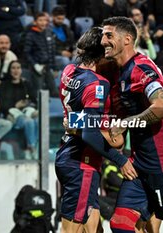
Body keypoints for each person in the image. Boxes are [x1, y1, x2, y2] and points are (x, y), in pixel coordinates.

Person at [100, 16, 163, 233]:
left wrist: (126, 123)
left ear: (127, 39)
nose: (103, 41)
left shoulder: (141, 69)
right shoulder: (118, 73)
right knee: (120, 224)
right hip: (140, 163)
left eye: (109, 35)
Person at [56, 27, 137, 233]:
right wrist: (121, 160)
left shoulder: (69, 71)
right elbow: (90, 133)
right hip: (82, 162)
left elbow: (77, 118)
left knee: (92, 219)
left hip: (67, 153)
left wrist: (75, 121)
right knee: (70, 229)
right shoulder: (97, 84)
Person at [0, 60, 38, 159]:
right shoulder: (3, 85)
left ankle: (35, 148)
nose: (16, 70)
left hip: (28, 112)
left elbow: (34, 100)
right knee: (29, 122)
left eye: (18, 68)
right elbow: (2, 105)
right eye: (13, 68)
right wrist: (16, 105)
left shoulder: (26, 84)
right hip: (12, 115)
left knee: (38, 121)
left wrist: (30, 106)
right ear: (9, 70)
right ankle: (31, 148)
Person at [23, 12, 58, 97]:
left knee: (54, 91)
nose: (43, 22)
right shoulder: (30, 35)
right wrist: (35, 65)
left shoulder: (49, 33)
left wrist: (55, 68)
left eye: (45, 20)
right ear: (35, 22)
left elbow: (52, 52)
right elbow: (26, 53)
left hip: (48, 67)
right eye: (40, 20)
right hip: (36, 68)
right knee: (38, 92)